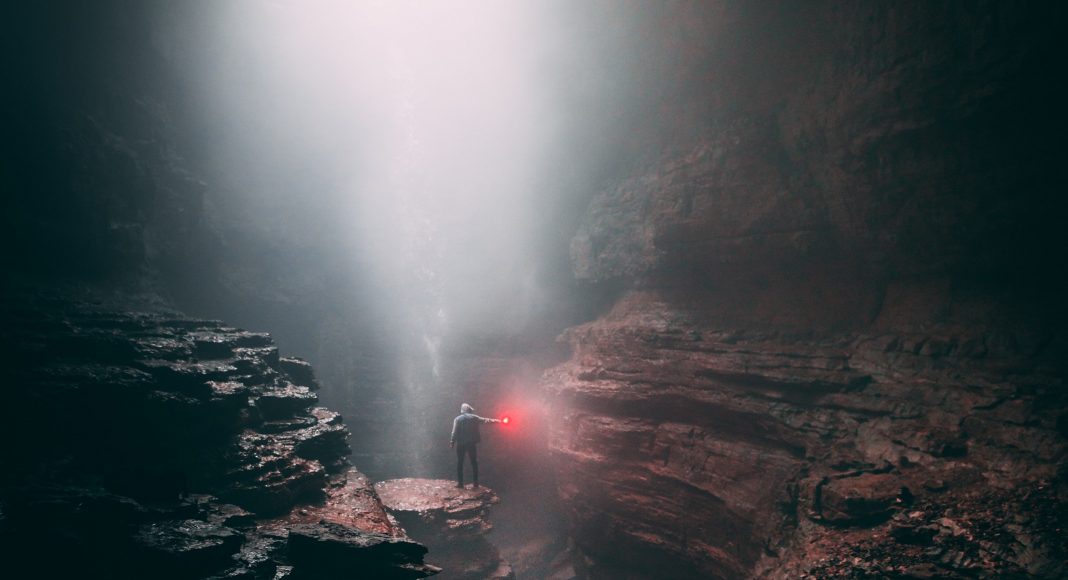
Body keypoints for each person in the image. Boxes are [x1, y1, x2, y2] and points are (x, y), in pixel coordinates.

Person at [450, 403, 500, 488]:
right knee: (474, 463)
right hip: (471, 444)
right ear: (469, 410)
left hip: (461, 444)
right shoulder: (474, 418)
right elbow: (486, 420)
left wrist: (452, 441)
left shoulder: (457, 419)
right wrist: (498, 421)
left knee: (460, 463)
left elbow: (454, 432)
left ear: (462, 410)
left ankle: (460, 483)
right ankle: (475, 483)